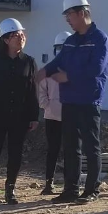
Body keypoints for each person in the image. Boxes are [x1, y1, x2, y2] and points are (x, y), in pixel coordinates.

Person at [35, 0, 108, 205]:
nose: (67, 19)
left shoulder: (99, 39)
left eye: (69, 14)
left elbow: (96, 68)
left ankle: (92, 190)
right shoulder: (70, 41)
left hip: (88, 101)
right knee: (70, 147)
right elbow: (58, 61)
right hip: (68, 101)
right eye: (66, 15)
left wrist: (68, 77)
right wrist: (43, 72)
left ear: (82, 13)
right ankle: (71, 190)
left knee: (91, 147)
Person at [0, 18, 39, 206]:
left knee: (15, 154)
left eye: (22, 34)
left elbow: (32, 91)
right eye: (16, 35)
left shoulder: (29, 62)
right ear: (5, 39)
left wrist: (34, 116)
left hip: (19, 116)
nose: (21, 38)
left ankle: (10, 190)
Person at [38, 30, 71, 195]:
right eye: (59, 48)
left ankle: (69, 184)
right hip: (52, 117)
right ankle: (49, 183)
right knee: (53, 150)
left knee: (70, 151)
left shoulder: (74, 71)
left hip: (70, 117)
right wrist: (48, 106)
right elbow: (41, 93)